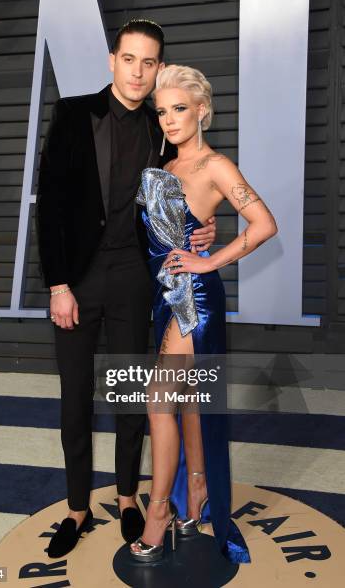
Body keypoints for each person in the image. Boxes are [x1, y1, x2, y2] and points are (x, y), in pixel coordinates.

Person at [35, 20, 217, 558]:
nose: (139, 72)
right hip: (79, 280)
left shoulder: (166, 126)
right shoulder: (72, 114)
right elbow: (51, 205)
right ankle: (76, 508)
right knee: (75, 399)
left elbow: (187, 193)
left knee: (131, 396)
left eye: (149, 62)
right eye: (129, 59)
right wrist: (58, 285)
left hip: (138, 281)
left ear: (159, 68)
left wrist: (204, 228)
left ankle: (129, 497)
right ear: (112, 60)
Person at [130, 64, 278, 563]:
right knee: (190, 400)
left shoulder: (216, 165)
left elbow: (263, 224)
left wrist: (210, 259)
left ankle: (158, 513)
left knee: (158, 402)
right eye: (162, 111)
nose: (169, 120)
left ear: (201, 111)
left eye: (178, 110)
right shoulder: (165, 168)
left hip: (191, 299)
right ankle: (196, 494)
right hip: (163, 295)